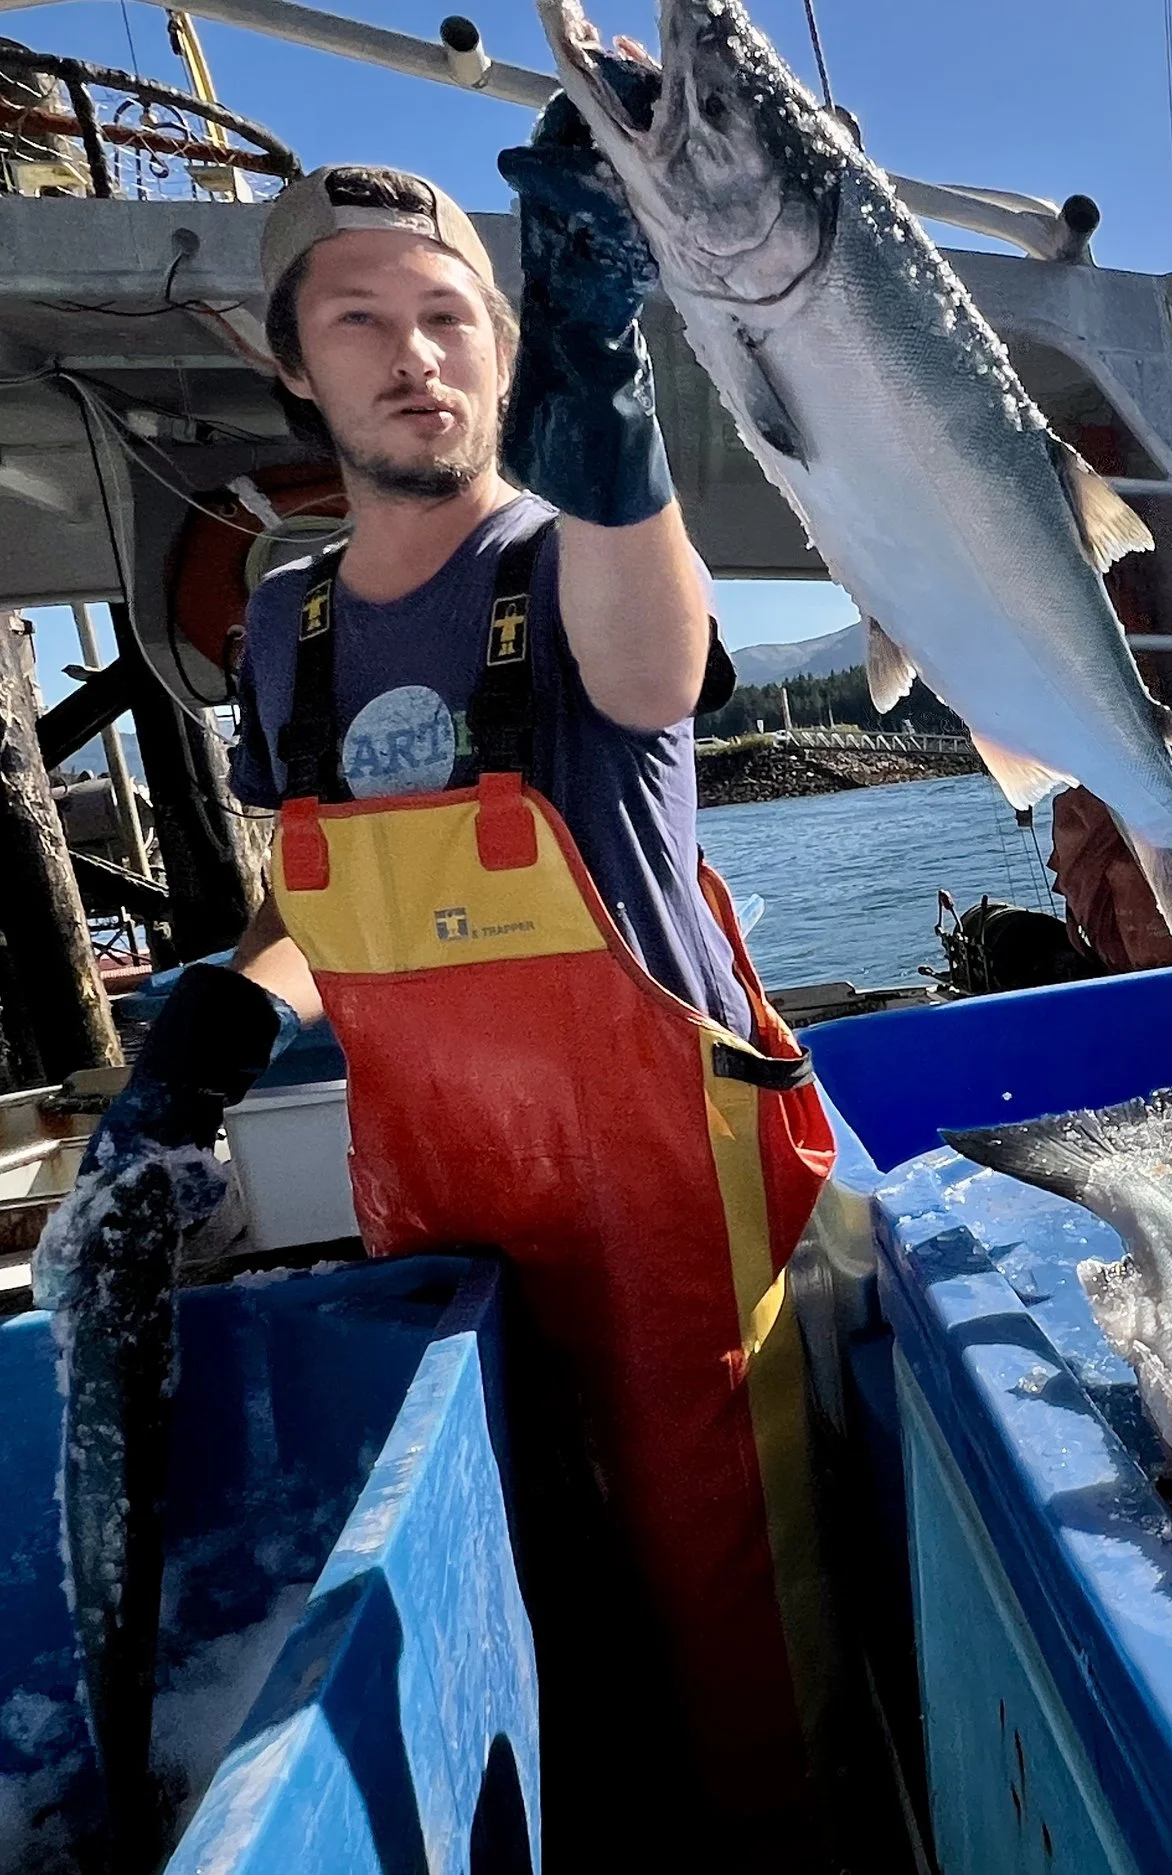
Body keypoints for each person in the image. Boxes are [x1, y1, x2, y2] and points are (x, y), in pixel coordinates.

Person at [46, 110, 838, 1865]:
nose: (416, 358)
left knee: (739, 1650)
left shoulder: (578, 557)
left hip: (667, 1223)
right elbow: (323, 898)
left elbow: (659, 663)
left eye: (451, 314)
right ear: (291, 362)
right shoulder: (285, 623)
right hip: (441, 1217)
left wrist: (605, 385)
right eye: (360, 321)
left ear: (501, 336)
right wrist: (225, 1011)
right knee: (516, 1596)